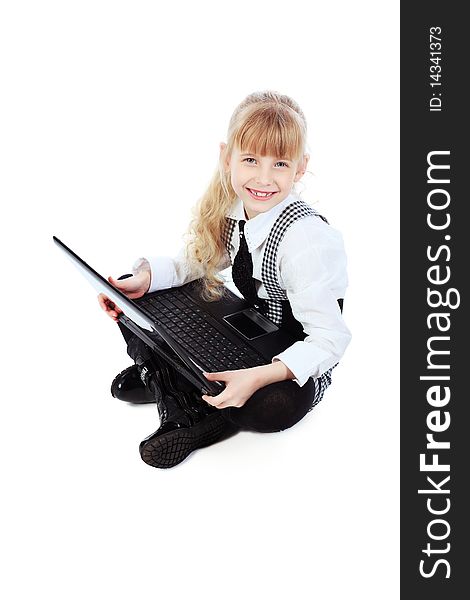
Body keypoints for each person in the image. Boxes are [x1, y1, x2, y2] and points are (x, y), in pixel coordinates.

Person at [98, 90, 351, 469]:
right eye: (251, 159)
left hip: (287, 354)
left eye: (280, 163)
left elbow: (330, 339)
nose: (264, 178)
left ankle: (178, 389)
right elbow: (199, 262)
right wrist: (147, 278)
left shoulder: (306, 239)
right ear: (227, 157)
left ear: (300, 168)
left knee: (269, 408)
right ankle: (176, 389)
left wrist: (261, 376)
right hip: (247, 328)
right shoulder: (234, 210)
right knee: (135, 293)